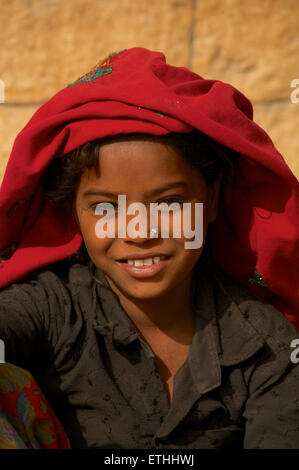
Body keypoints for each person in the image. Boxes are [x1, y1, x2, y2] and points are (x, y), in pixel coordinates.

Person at [0, 47, 298, 449]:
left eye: (170, 204)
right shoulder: (54, 310)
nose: (139, 232)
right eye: (106, 207)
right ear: (74, 211)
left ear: (210, 199)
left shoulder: (266, 345)